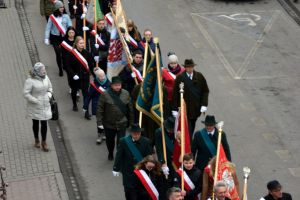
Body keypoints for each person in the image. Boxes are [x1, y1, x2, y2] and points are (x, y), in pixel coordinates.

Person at [96, 76, 133, 160]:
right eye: (115, 85)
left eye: (119, 85)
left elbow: (130, 108)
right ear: (111, 85)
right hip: (109, 123)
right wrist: (99, 122)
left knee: (121, 142)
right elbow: (99, 108)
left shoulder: (126, 93)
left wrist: (131, 122)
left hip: (122, 122)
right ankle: (110, 152)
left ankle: (119, 156)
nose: (117, 87)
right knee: (110, 141)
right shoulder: (105, 94)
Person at [112, 124, 153, 200]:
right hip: (129, 173)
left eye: (138, 134)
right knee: (130, 195)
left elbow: (149, 156)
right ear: (131, 133)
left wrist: (149, 162)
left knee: (142, 195)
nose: (136, 136)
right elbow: (119, 156)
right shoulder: (124, 141)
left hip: (142, 173)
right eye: (134, 134)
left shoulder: (146, 141)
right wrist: (116, 168)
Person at [172, 59, 209, 141]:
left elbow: (205, 91)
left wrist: (204, 104)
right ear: (185, 68)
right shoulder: (180, 78)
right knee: (188, 129)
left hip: (196, 109)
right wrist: (174, 109)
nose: (190, 69)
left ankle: (188, 144)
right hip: (184, 109)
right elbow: (175, 94)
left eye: (191, 67)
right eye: (188, 67)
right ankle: (189, 147)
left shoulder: (199, 76)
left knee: (191, 126)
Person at [23, 62, 53, 152]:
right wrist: (35, 100)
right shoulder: (30, 80)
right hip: (35, 106)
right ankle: (36, 139)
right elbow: (25, 93)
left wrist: (49, 95)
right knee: (35, 123)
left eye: (44, 69)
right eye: (42, 70)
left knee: (44, 124)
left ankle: (44, 142)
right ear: (37, 71)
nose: (44, 71)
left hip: (45, 104)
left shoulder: (46, 78)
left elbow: (50, 88)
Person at [65, 36, 94, 111]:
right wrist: (73, 74)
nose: (82, 44)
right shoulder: (71, 53)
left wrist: (93, 73)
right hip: (75, 76)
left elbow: (91, 65)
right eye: (80, 43)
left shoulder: (87, 53)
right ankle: (74, 104)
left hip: (85, 76)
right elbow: (67, 66)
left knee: (85, 93)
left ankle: (86, 110)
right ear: (76, 44)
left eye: (83, 43)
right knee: (74, 91)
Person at [44, 0, 72, 76]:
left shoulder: (66, 16)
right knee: (58, 54)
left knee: (64, 54)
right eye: (61, 7)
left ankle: (65, 66)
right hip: (55, 37)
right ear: (57, 8)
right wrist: (46, 38)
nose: (62, 8)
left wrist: (71, 32)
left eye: (63, 7)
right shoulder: (52, 17)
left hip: (64, 37)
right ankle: (60, 69)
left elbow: (70, 26)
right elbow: (48, 28)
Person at [154, 116, 176, 182]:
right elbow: (159, 149)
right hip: (166, 158)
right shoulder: (159, 132)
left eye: (172, 129)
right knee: (167, 179)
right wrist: (163, 162)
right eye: (170, 129)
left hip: (176, 158)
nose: (171, 131)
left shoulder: (178, 131)